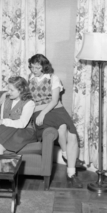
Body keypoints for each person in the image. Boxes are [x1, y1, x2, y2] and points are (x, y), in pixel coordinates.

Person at [27, 54, 85, 188]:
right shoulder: (29, 79)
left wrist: (43, 113)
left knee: (71, 133)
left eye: (37, 67)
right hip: (38, 111)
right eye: (32, 67)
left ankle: (71, 172)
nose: (34, 70)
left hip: (56, 109)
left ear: (44, 66)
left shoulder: (53, 78)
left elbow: (54, 100)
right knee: (62, 129)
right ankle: (66, 155)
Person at [0, 76, 37, 188]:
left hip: (24, 132)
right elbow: (2, 121)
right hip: (8, 130)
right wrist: (1, 121)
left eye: (11, 90)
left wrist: (1, 121)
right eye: (8, 89)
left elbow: (22, 124)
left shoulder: (29, 103)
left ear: (21, 90)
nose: (8, 92)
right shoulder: (6, 100)